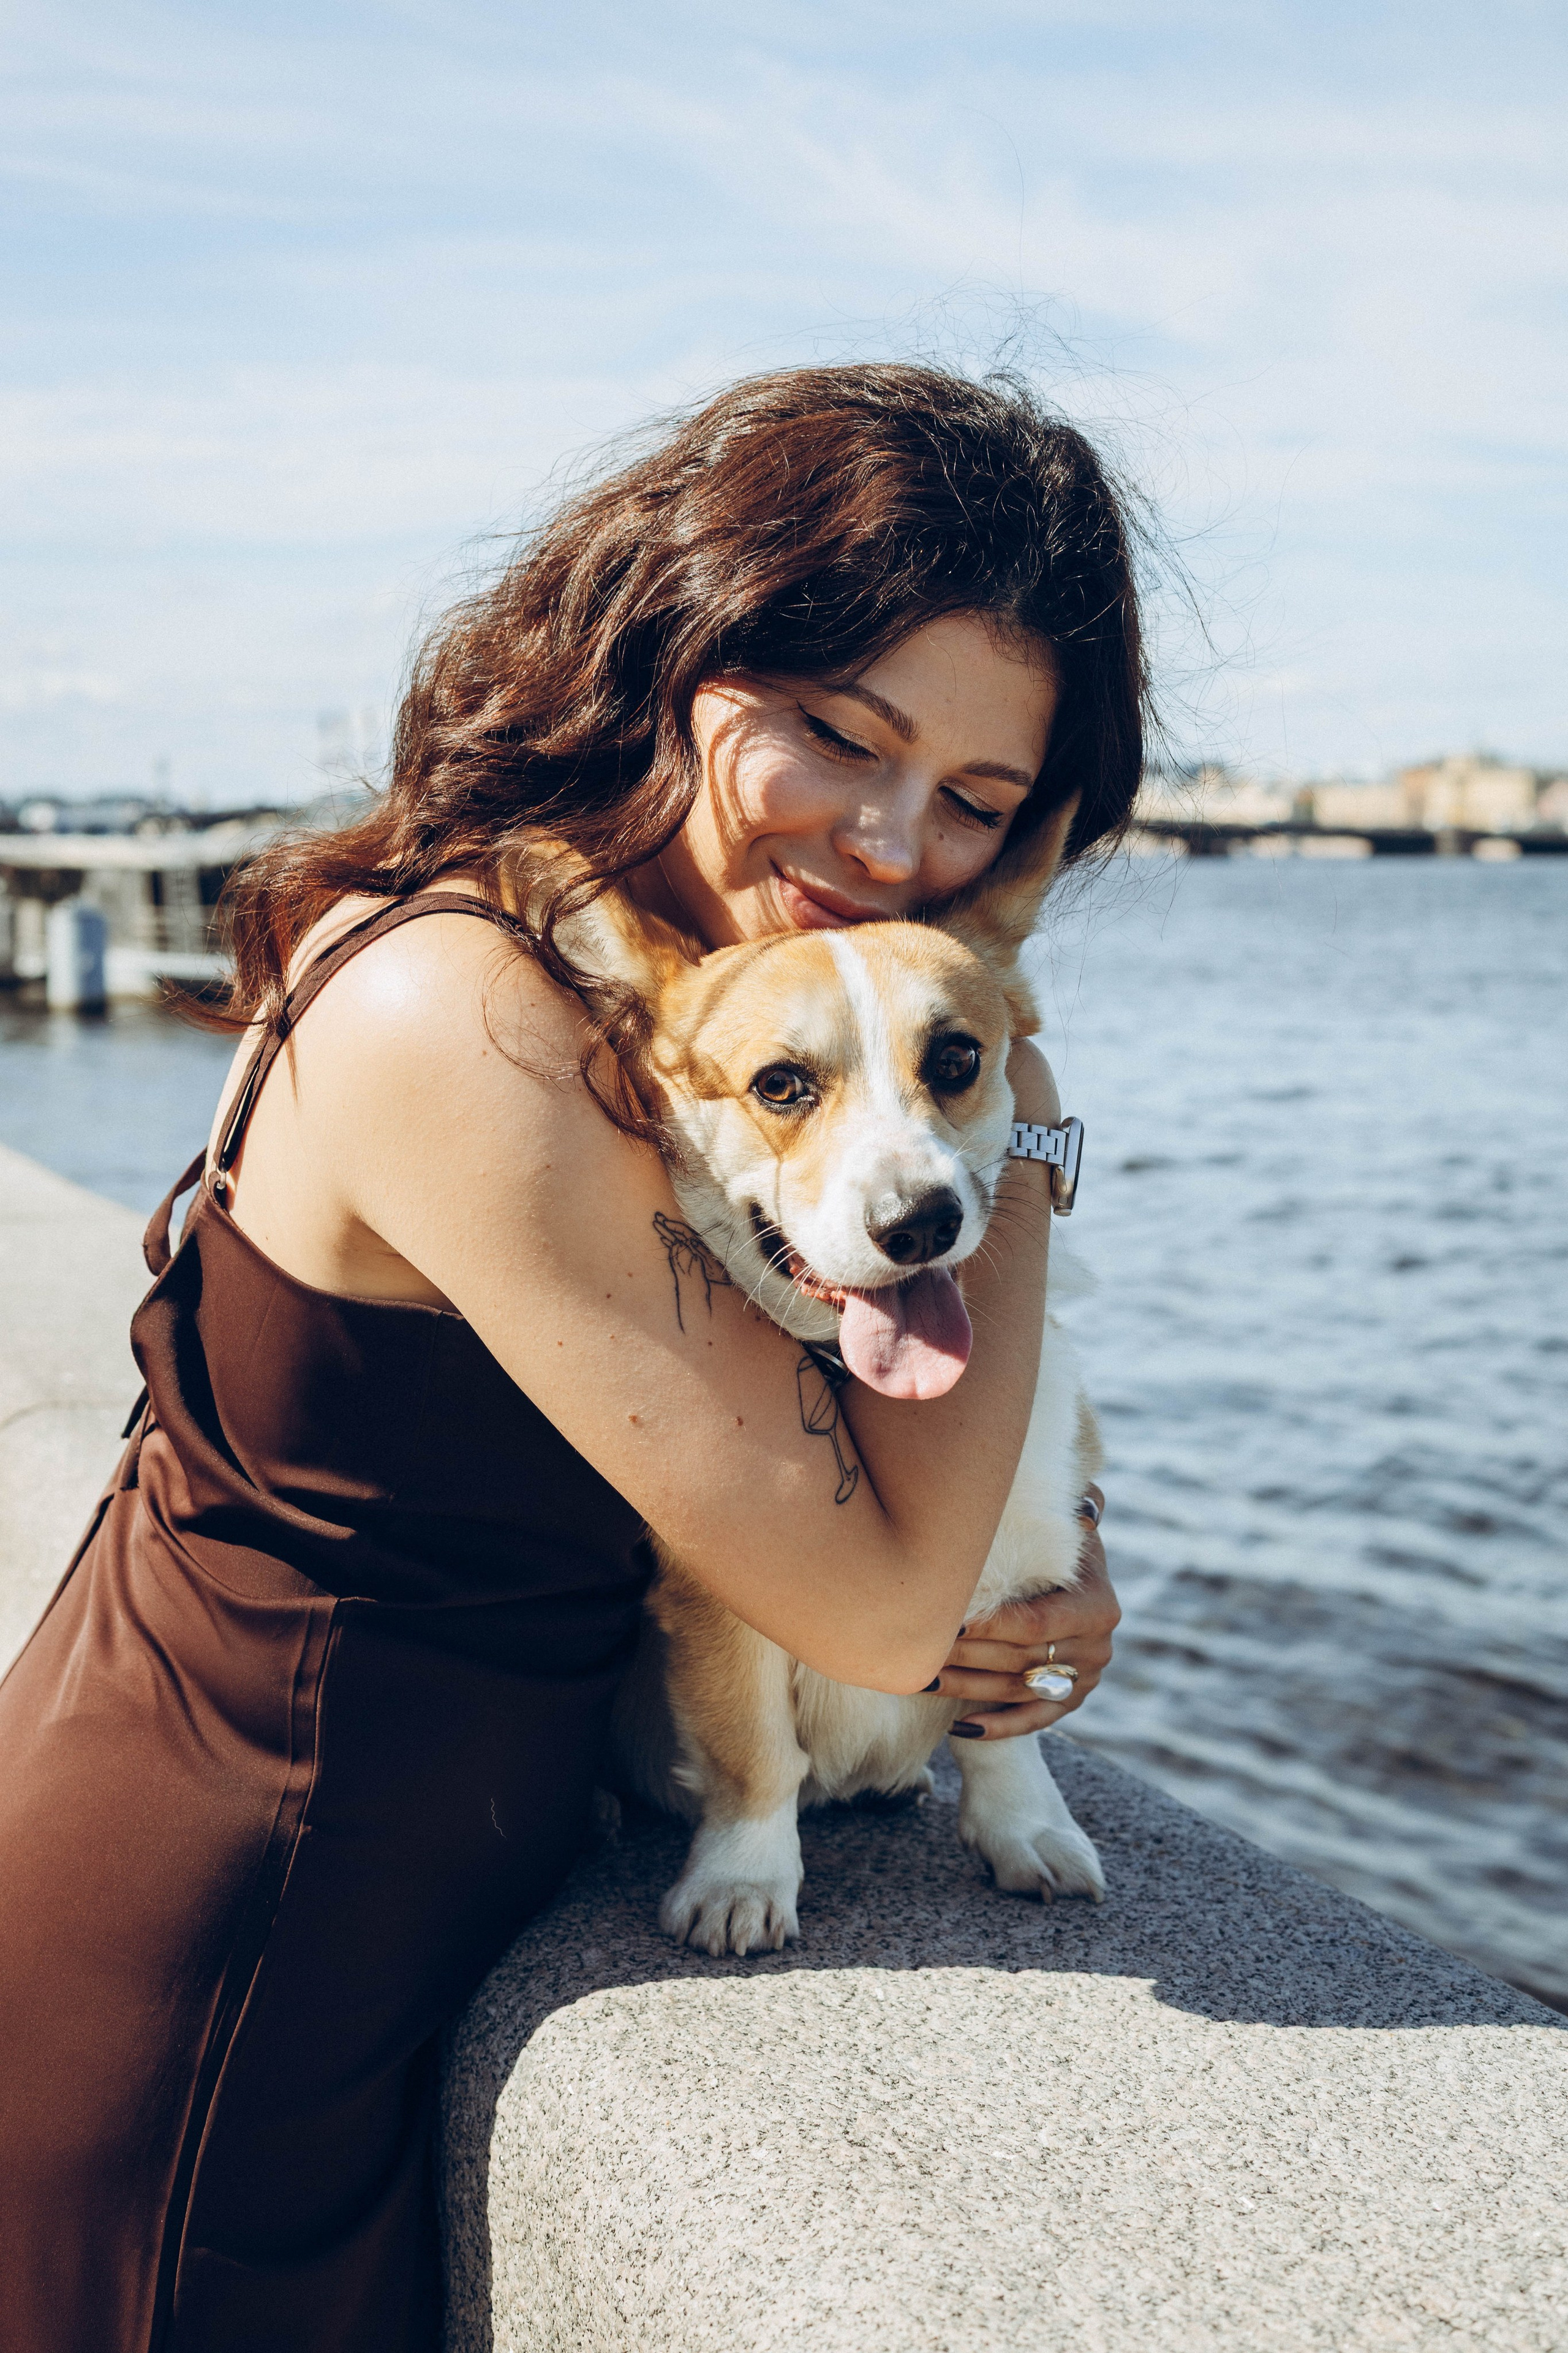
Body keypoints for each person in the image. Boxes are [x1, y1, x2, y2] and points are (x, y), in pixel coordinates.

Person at [0, 363, 1139, 2351]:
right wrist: (1007, 1105)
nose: (891, 841)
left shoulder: (633, 983)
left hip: (385, 1904)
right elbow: (884, 1602)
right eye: (840, 732)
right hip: (223, 1965)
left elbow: (846, 1453)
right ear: (676, 649)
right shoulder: (470, 1011)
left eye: (974, 802)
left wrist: (1059, 1564)